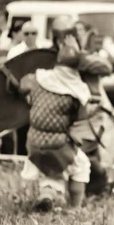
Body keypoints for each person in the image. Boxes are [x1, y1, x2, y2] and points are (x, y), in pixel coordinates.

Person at [18, 41, 92, 212]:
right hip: (57, 144)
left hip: (33, 141)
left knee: (44, 168)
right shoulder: (77, 90)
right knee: (81, 165)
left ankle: (45, 197)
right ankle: (75, 207)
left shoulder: (37, 78)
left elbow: (22, 85)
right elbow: (81, 119)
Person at [50, 16, 114, 198]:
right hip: (64, 116)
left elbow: (106, 68)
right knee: (83, 156)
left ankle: (97, 187)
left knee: (76, 153)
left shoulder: (88, 57)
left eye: (76, 32)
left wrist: (76, 56)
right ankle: (99, 188)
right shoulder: (53, 56)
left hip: (90, 118)